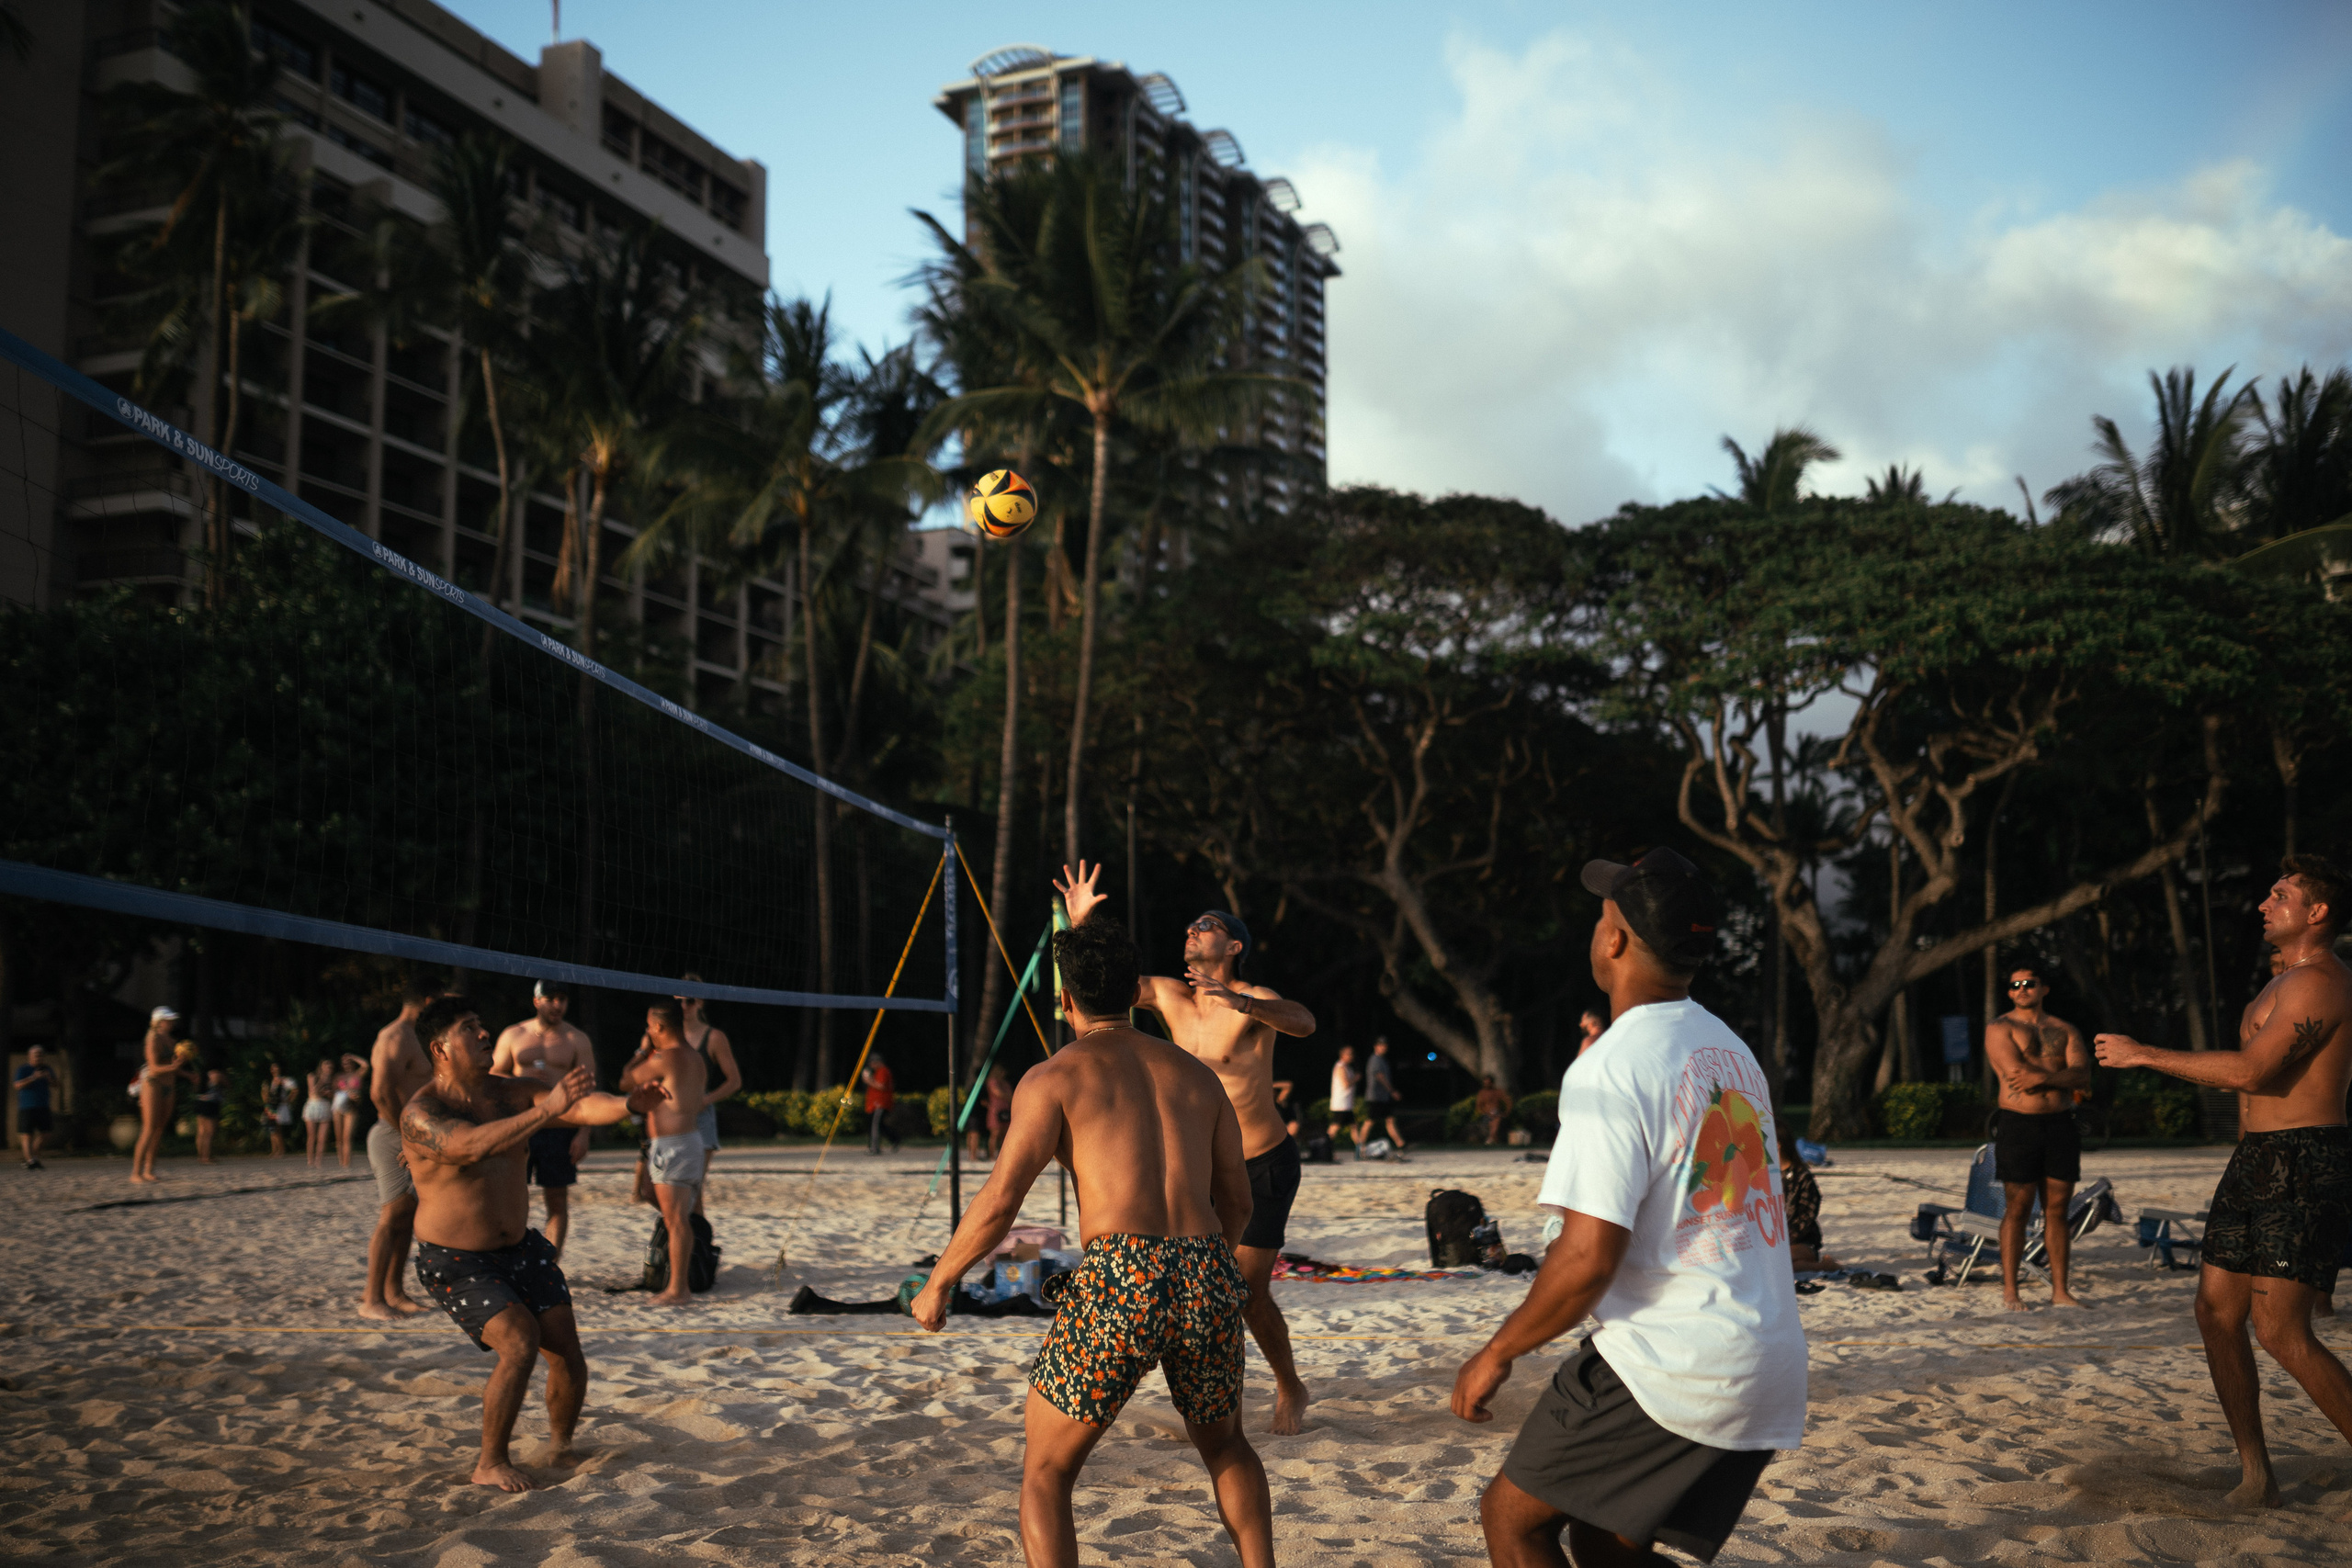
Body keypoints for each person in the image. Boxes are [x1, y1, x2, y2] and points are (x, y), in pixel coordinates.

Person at [1455, 848, 1803, 1568]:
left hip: (1677, 1364)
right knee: (1601, 1541)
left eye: (1601, 914)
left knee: (1512, 1520)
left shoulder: (1613, 1065)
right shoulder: (1729, 1048)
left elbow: (1587, 1258)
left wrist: (1497, 1351)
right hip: (1765, 1355)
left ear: (1613, 940)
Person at [910, 914, 1272, 1568]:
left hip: (1121, 1273)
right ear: (1135, 991)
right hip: (1206, 1265)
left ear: (1065, 1000)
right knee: (1226, 1447)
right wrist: (1209, 1266)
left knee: (1047, 1471)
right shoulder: (1198, 1076)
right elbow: (1239, 1200)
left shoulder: (1054, 1077)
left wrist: (940, 1282)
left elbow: (1000, 1202)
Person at [2096, 853, 2352, 1509]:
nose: (2264, 904)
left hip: (2304, 1158)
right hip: (2256, 1160)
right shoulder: (2277, 983)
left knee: (2281, 1331)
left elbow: (2251, 1072)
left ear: (2317, 911)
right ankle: (2256, 1475)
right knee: (2215, 1313)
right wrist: (2244, 1167)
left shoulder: (2320, 982)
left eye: (2281, 894)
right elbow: (2249, 1096)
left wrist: (2143, 1053)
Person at [1059, 861, 1322, 1438]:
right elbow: (1098, 982)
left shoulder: (1253, 998)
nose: (1192, 931)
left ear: (1234, 946)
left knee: (1248, 1293)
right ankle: (1213, 1405)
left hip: (1261, 1163)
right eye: (1191, 926)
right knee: (1196, 1287)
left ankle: (1290, 1386)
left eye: (1206, 926)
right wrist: (1082, 924)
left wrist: (1242, 1004)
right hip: (1201, 1165)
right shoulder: (1168, 994)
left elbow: (1304, 1022)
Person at [400, 995, 669, 1492]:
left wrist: (629, 1104)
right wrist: (547, 1108)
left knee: (565, 1346)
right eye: (469, 1028)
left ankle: (560, 1446)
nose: (484, 1033)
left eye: (481, 1023)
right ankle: (490, 1462)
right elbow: (469, 1146)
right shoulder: (422, 1113)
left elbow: (580, 1107)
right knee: (520, 1341)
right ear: (440, 1048)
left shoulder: (512, 1091)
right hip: (457, 1259)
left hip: (521, 1248)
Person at [1984, 966, 2092, 1310]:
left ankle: (2060, 1291)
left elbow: (2083, 1075)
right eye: (2014, 984)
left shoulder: (2066, 1029)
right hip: (2019, 1124)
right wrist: (2063, 1077)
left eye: (2028, 983)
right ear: (2009, 992)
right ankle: (2010, 1290)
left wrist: (2043, 1078)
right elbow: (2016, 1074)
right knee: (2017, 1208)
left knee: (2057, 1210)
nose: (2021, 988)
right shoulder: (2000, 1028)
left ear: (2044, 989)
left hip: (2060, 1125)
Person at [493, 982, 596, 1261]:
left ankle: (550, 1264)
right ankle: (512, 1258)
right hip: (522, 1125)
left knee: (557, 1199)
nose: (557, 1005)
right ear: (537, 1001)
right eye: (551, 998)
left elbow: (588, 1089)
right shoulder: (514, 1034)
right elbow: (493, 1076)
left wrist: (583, 1134)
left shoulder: (576, 1039)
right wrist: (521, 1080)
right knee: (512, 1197)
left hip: (560, 1127)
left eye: (562, 999)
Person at [619, 1000, 712, 1307]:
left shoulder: (664, 1058)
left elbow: (625, 1080)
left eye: (649, 1027)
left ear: (658, 1027)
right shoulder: (696, 1057)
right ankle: (686, 1253)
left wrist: (641, 1051)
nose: (648, 1031)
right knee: (650, 1193)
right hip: (685, 1143)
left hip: (675, 1145)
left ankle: (678, 1289)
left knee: (676, 1220)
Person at [360, 985, 438, 1321]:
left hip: (415, 1133)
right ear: (428, 1000)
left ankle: (394, 1292)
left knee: (407, 1214)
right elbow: (379, 1093)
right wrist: (407, 1134)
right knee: (392, 1216)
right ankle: (371, 1298)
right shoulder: (394, 1036)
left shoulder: (417, 1035)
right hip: (393, 1133)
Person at [130, 1006, 181, 1184]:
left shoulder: (172, 1040)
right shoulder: (152, 1037)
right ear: (159, 1021)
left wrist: (188, 1073)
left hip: (169, 1085)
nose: (172, 1022)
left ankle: (149, 1170)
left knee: (159, 1130)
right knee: (149, 1128)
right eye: (168, 1020)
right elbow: (153, 1067)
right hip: (153, 1084)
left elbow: (172, 1066)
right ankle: (136, 1173)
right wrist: (174, 1067)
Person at [1778, 1122, 1838, 1271]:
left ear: (1778, 1145)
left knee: (1781, 1263)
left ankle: (1825, 1266)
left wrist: (1785, 1239)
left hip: (1801, 1241)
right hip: (1774, 1244)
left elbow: (1807, 1216)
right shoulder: (1764, 1177)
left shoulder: (1802, 1177)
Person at [1356, 1037, 1408, 1155]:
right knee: (1370, 1121)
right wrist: (1392, 1091)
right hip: (1376, 1097)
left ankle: (1401, 1144)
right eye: (1381, 1045)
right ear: (1376, 1046)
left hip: (1383, 1097)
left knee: (1390, 1120)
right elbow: (1380, 1076)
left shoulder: (1382, 1060)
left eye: (1385, 1045)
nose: (1384, 1047)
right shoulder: (1375, 1059)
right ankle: (1360, 1146)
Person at [16, 1044, 56, 1170]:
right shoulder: (23, 1069)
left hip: (43, 1105)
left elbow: (56, 1084)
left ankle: (32, 1157)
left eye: (40, 1055)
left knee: (46, 1134)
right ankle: (31, 1161)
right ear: (30, 1056)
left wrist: (49, 1078)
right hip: (27, 1106)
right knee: (27, 1135)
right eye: (36, 1055)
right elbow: (17, 1085)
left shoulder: (47, 1069)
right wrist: (33, 1077)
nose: (38, 1057)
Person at [330, 1052, 370, 1168]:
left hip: (352, 1107)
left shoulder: (358, 1074)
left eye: (348, 1062)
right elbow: (333, 1092)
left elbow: (366, 1065)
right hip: (339, 1107)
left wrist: (353, 1057)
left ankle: (347, 1163)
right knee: (339, 1137)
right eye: (344, 1062)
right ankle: (341, 1161)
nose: (346, 1064)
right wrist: (346, 1094)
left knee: (347, 1137)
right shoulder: (338, 1076)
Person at [863, 1055, 899, 1155]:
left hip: (880, 1103)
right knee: (879, 1125)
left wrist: (868, 1080)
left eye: (872, 1063)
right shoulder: (879, 1072)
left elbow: (881, 1086)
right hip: (876, 1104)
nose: (871, 1066)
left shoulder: (883, 1071)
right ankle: (894, 1139)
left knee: (875, 1125)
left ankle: (874, 1148)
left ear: (877, 1062)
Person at [191, 1066, 226, 1164]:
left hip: (199, 1102)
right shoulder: (216, 1074)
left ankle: (200, 1155)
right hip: (211, 1103)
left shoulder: (200, 1074)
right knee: (209, 1132)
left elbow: (195, 1088)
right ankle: (206, 1156)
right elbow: (228, 1085)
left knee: (201, 1131)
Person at [263, 1060, 296, 1158]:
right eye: (272, 1068)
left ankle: (281, 1150)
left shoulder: (283, 1080)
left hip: (279, 1106)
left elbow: (295, 1089)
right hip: (271, 1106)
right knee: (272, 1129)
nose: (274, 1070)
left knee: (277, 1129)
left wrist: (288, 1100)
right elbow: (264, 1093)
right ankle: (274, 1150)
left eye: (276, 1067)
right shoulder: (269, 1081)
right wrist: (266, 1102)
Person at [1329, 1044, 1360, 1147]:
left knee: (1354, 1126)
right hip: (1341, 1104)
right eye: (1349, 1054)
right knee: (1335, 1126)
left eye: (1352, 1054)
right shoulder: (1340, 1067)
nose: (1352, 1056)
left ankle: (1360, 1149)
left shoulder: (1347, 1067)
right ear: (1342, 1055)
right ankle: (1325, 1145)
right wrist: (1356, 1078)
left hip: (1347, 1104)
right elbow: (1345, 1084)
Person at [984, 1065, 1015, 1160]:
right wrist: (1008, 1096)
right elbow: (998, 1093)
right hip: (995, 1110)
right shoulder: (992, 1082)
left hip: (1005, 1109)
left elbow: (1010, 1094)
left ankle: (1002, 1155)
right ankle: (992, 1155)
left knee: (1005, 1134)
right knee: (995, 1133)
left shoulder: (1005, 1083)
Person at [1474, 1075, 1512, 1145]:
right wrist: (1486, 1113)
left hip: (1497, 1113)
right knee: (1494, 1122)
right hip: (1486, 1115)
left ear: (1492, 1083)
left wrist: (1506, 1113)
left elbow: (1508, 1102)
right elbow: (1478, 1107)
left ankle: (1491, 1138)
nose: (1486, 1085)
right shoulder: (1482, 1093)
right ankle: (1494, 1138)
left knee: (1496, 1120)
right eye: (1485, 1083)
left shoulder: (1498, 1092)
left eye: (1488, 1083)